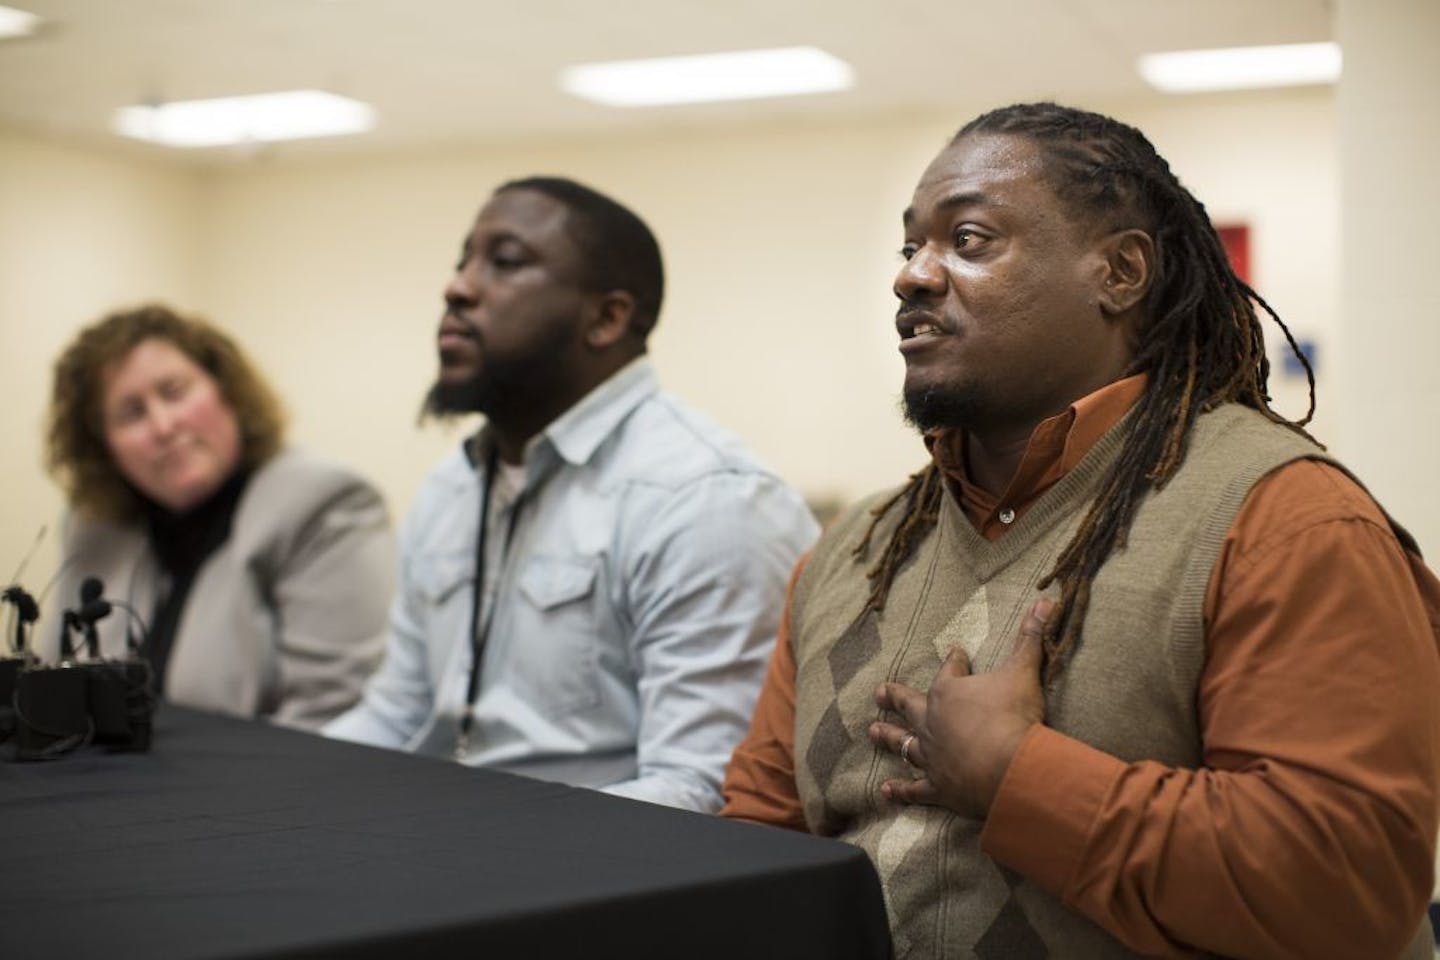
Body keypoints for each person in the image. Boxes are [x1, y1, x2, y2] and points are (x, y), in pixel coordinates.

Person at [721, 103, 1440, 959]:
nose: (913, 275)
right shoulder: (852, 551)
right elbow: (757, 852)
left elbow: (1344, 892)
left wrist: (1014, 774)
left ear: (1120, 273)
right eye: (910, 246)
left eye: (971, 239)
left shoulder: (1285, 520)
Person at [325, 176, 818, 813]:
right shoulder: (454, 485)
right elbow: (397, 716)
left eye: (504, 263)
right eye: (461, 261)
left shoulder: (705, 500)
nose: (458, 288)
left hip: (597, 885)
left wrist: (470, 838)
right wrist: (273, 787)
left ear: (607, 318)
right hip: (441, 849)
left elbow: (706, 793)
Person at [43, 304, 395, 730]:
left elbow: (334, 718)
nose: (164, 425)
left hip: (267, 785)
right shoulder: (94, 527)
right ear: (103, 447)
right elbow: (57, 691)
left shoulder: (322, 504)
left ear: (225, 390)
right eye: (131, 413)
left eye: (174, 392)